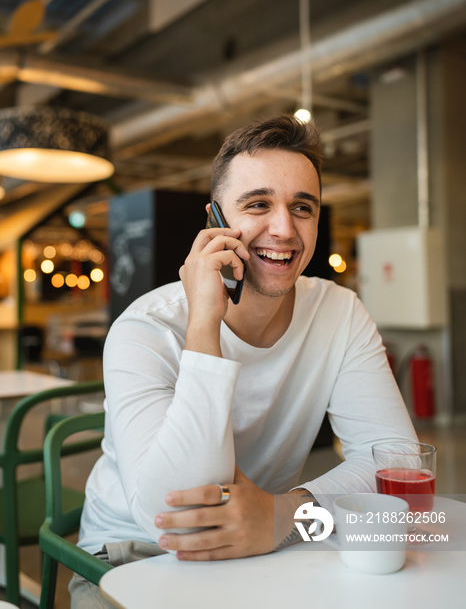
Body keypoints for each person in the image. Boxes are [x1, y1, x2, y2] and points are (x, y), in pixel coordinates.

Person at [71, 114, 417, 606]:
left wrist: (289, 515)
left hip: (267, 549)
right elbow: (168, 515)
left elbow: (397, 460)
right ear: (215, 220)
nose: (284, 229)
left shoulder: (339, 311)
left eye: (303, 208)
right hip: (130, 559)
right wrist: (203, 325)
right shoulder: (144, 328)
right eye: (258, 204)